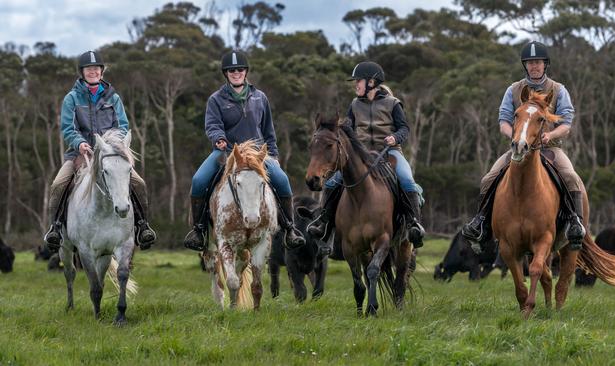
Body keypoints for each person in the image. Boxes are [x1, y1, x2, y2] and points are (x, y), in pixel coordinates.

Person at [461, 41, 586, 253]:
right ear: (525, 65)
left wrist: (551, 134)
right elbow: (503, 121)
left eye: (538, 62)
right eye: (530, 63)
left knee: (571, 177)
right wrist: (517, 138)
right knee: (488, 178)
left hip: (551, 148)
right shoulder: (513, 90)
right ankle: (480, 223)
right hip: (519, 148)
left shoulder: (558, 90)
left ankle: (576, 224)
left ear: (545, 64)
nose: (534, 66)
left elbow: (566, 123)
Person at [183, 50, 305, 251]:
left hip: (257, 155)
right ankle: (199, 230)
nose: (236, 73)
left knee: (282, 180)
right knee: (198, 180)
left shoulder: (260, 98)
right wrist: (218, 138)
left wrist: (273, 155)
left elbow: (268, 130)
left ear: (246, 72)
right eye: (231, 70)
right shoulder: (216, 99)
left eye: (239, 69)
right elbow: (212, 125)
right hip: (228, 152)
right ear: (226, 74)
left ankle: (290, 229)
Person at [44, 50, 156, 251]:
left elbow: (123, 125)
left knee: (138, 183)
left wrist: (115, 144)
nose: (93, 72)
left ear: (102, 72)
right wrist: (79, 143)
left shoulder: (114, 98)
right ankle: (56, 228)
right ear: (82, 72)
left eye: (96, 68)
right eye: (89, 69)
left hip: (111, 155)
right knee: (58, 184)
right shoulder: (71, 99)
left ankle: (142, 226)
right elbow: (68, 128)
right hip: (80, 154)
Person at [307, 61, 426, 248]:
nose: (356, 85)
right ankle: (324, 224)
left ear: (371, 82)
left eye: (358, 81)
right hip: (361, 155)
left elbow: (404, 128)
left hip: (390, 152)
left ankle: (414, 225)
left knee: (406, 179)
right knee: (331, 182)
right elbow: (347, 128)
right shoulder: (354, 105)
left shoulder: (393, 104)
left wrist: (395, 138)